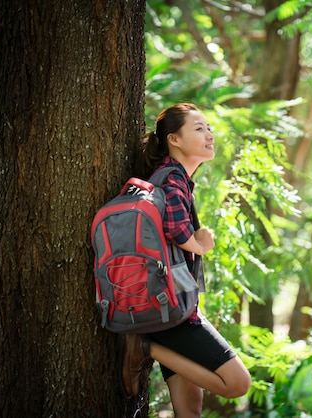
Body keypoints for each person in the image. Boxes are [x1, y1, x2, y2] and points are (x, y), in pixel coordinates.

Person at [120, 103, 251, 417]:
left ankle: (146, 345)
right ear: (174, 140)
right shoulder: (172, 181)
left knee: (189, 410)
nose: (210, 135)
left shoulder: (170, 179)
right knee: (237, 384)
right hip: (173, 316)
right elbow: (178, 231)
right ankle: (143, 348)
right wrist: (201, 243)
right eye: (199, 128)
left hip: (167, 306)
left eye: (209, 128)